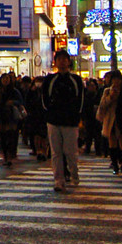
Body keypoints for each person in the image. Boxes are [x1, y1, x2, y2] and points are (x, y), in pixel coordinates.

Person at [41, 49, 84, 193]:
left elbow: (81, 100)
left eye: (65, 59)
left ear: (68, 61)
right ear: (56, 62)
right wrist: (49, 113)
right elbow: (44, 99)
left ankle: (74, 175)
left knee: (70, 152)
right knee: (56, 152)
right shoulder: (50, 79)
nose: (62, 62)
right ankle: (58, 180)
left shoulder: (76, 80)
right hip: (54, 120)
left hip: (70, 121)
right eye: (59, 59)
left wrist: (77, 116)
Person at [97, 70, 122, 173]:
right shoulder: (107, 91)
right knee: (112, 141)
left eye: (118, 79)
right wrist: (111, 97)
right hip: (110, 119)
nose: (116, 81)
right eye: (114, 79)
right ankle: (115, 164)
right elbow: (102, 105)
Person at [0, 73, 24, 167]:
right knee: (2, 138)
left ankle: (10, 156)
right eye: (4, 79)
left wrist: (13, 102)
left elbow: (21, 102)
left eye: (7, 79)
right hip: (0, 117)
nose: (5, 80)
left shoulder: (14, 91)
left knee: (10, 137)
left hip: (11, 117)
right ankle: (6, 156)